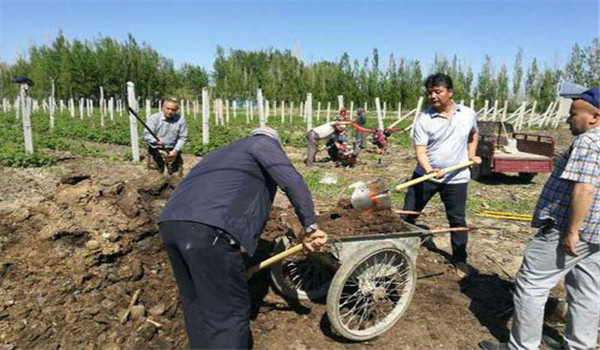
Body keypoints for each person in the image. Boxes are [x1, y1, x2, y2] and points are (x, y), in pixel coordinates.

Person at [158, 126, 328, 349]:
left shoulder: (221, 152)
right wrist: (311, 225)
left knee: (196, 305)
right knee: (229, 314)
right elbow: (292, 180)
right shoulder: (264, 144)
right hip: (211, 230)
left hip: (171, 223)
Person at [479, 87, 600, 350]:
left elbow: (585, 187)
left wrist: (572, 231)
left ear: (595, 117)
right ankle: (580, 346)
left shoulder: (589, 142)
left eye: (574, 114)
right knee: (586, 289)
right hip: (597, 233)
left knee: (531, 283)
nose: (568, 119)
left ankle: (522, 347)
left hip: (570, 227)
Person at [402, 73, 481, 275]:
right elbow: (420, 151)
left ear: (450, 92)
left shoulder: (467, 114)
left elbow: (473, 135)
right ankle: (398, 252)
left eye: (438, 91)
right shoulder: (424, 119)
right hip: (426, 176)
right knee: (408, 214)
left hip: (457, 178)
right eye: (430, 93)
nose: (433, 96)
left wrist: (471, 154)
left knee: (457, 220)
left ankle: (460, 260)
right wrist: (429, 170)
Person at [143, 98, 188, 176]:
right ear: (162, 108)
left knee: (176, 176)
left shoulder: (180, 120)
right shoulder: (154, 118)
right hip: (156, 149)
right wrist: (155, 140)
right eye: (168, 108)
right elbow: (147, 135)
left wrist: (175, 151)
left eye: (173, 110)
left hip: (173, 150)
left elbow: (182, 137)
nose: (170, 112)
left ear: (177, 110)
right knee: (155, 177)